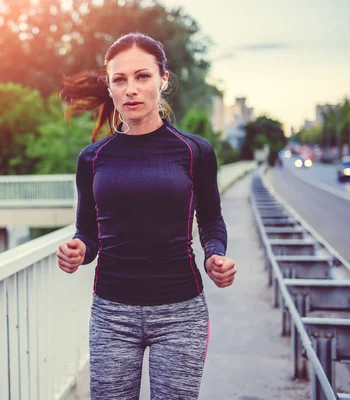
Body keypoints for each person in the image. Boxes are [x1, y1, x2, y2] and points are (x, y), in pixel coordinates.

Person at [56, 32, 237, 400]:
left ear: (163, 80)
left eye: (142, 77)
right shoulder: (92, 158)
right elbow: (88, 234)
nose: (131, 89)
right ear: (109, 86)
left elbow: (211, 220)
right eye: (119, 80)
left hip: (181, 314)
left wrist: (214, 253)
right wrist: (78, 250)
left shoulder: (194, 151)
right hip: (111, 315)